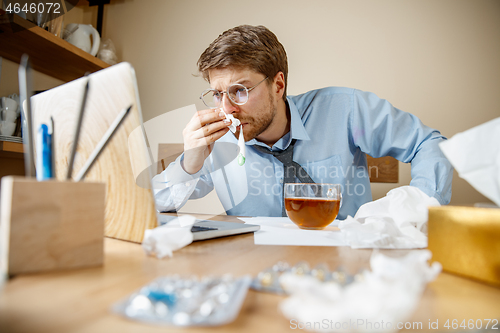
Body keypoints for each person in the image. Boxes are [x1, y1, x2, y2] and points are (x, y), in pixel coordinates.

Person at [153, 25, 453, 220]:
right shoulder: (217, 143)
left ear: (278, 85)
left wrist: (415, 208)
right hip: (256, 269)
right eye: (217, 94)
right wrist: (189, 163)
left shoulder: (346, 110)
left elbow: (428, 144)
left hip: (347, 262)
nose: (227, 108)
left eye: (240, 91)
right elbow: (157, 205)